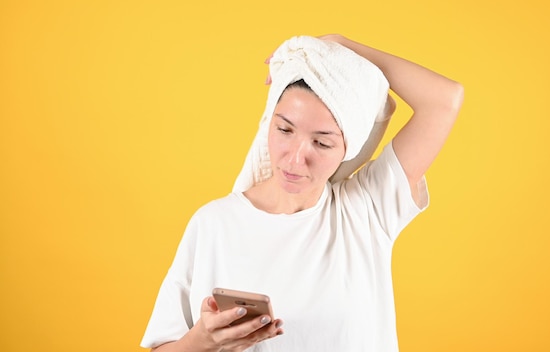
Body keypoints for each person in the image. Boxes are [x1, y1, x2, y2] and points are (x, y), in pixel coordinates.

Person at [140, 33, 464, 352]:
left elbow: (445, 100)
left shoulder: (367, 208)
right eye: (284, 129)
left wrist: (337, 48)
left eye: (322, 142)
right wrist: (202, 342)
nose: (296, 159)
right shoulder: (213, 223)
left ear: (349, 147)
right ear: (268, 122)